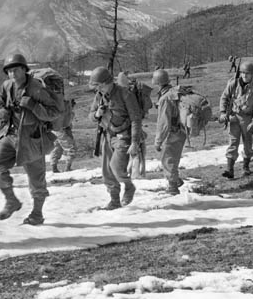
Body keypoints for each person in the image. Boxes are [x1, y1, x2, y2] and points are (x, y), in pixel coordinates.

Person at [0, 53, 62, 225]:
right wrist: (1, 112)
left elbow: (54, 112)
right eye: (9, 71)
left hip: (32, 138)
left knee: (37, 179)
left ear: (24, 69)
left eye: (15, 70)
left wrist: (33, 105)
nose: (12, 74)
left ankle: (37, 214)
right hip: (10, 134)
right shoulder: (6, 86)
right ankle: (11, 200)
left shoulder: (36, 88)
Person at [89, 66, 142, 209]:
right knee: (107, 172)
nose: (98, 89)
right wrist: (97, 115)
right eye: (97, 86)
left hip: (123, 136)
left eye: (100, 85)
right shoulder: (99, 96)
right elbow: (91, 115)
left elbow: (136, 119)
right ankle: (114, 200)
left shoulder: (125, 94)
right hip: (107, 135)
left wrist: (135, 142)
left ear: (108, 82)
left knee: (116, 168)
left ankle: (129, 186)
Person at [219, 61, 253, 179]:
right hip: (234, 116)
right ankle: (230, 169)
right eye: (243, 73)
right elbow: (224, 97)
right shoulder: (233, 83)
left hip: (248, 118)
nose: (244, 76)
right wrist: (223, 112)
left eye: (247, 73)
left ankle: (246, 167)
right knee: (233, 142)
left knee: (247, 143)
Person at [152, 69, 186, 195]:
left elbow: (163, 123)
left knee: (168, 159)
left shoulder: (165, 99)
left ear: (157, 82)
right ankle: (176, 181)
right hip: (181, 130)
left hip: (173, 132)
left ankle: (173, 189)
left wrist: (158, 141)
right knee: (171, 158)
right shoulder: (174, 92)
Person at [50, 98, 77, 173]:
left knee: (56, 148)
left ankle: (54, 167)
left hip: (55, 130)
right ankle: (67, 167)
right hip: (63, 130)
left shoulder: (59, 107)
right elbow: (66, 121)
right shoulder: (65, 110)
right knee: (71, 148)